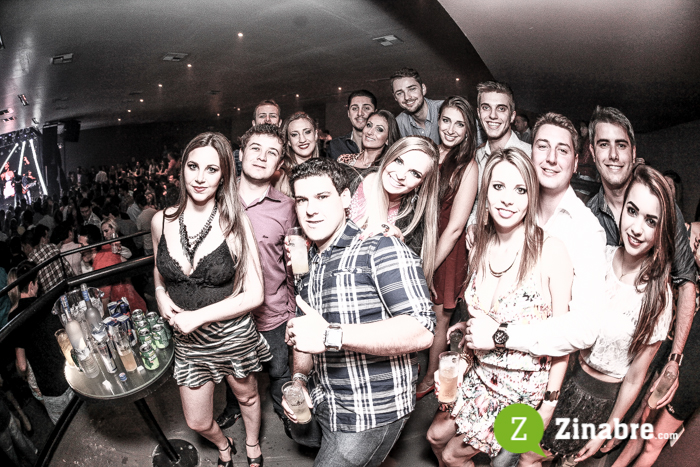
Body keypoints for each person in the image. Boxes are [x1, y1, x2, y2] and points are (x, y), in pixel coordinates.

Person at [283, 158, 435, 467]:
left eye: (322, 196)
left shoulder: (379, 247)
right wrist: (299, 379)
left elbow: (421, 330)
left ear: (344, 198)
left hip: (369, 412)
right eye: (302, 200)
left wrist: (330, 335)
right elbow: (309, 333)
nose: (311, 209)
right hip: (327, 401)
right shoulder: (308, 262)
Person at [427, 147, 572, 465]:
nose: (508, 199)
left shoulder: (551, 251)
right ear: (485, 192)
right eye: (498, 186)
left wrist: (549, 404)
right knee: (434, 437)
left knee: (452, 455)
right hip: (480, 370)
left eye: (520, 190)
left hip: (520, 387)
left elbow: (564, 338)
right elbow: (486, 318)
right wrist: (465, 340)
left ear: (532, 195)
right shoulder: (478, 242)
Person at [524, 165, 675, 465]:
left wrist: (606, 430)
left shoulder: (659, 296)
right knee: (527, 456)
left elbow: (634, 378)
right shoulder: (597, 256)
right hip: (563, 375)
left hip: (601, 401)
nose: (636, 228)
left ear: (661, 230)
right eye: (632, 211)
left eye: (651, 221)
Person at [152, 132, 270, 467]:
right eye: (193, 166)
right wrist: (159, 293)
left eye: (212, 169)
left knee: (247, 397)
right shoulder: (161, 220)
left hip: (231, 333)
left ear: (223, 176)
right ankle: (224, 444)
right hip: (188, 340)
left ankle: (252, 446)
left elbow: (255, 294)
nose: (200, 177)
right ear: (182, 169)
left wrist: (198, 317)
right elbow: (159, 269)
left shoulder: (235, 222)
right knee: (197, 421)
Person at [215, 124, 297, 439]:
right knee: (232, 370)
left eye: (271, 152)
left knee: (279, 370)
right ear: (241, 153)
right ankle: (234, 406)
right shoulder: (216, 198)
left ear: (279, 165)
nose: (262, 157)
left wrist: (292, 313)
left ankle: (284, 409)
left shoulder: (287, 207)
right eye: (256, 148)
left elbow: (293, 266)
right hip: (227, 312)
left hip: (272, 311)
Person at [416, 96, 478, 399]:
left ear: (468, 130)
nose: (451, 129)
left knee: (439, 317)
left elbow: (455, 228)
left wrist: (427, 266)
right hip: (421, 239)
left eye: (459, 124)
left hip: (446, 249)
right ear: (437, 121)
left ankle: (431, 377)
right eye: (446, 120)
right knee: (416, 310)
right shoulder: (427, 151)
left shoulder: (468, 165)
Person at [348, 136, 440, 288]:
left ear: (422, 182)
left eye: (415, 173)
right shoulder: (349, 179)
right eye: (399, 161)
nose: (400, 175)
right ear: (390, 154)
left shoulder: (414, 219)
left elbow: (407, 281)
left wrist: (399, 247)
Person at [8, 261, 74, 424]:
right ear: (31, 285)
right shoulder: (47, 304)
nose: (38, 286)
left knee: (64, 428)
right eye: (37, 282)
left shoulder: (14, 317)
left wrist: (27, 377)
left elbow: (22, 365)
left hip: (49, 388)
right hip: (69, 376)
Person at [466, 81, 532, 228]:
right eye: (486, 107)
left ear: (512, 116)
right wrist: (472, 224)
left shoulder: (532, 156)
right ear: (479, 113)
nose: (492, 115)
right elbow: (478, 202)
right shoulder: (476, 158)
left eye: (501, 109)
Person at [391, 67, 443, 144]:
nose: (407, 97)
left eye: (412, 89)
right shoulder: (398, 124)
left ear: (423, 89)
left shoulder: (445, 109)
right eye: (400, 93)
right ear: (395, 97)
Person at [233, 99, 282, 176]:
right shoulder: (235, 157)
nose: (267, 119)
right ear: (254, 123)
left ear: (280, 123)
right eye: (262, 116)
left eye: (272, 116)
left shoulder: (287, 156)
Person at [275, 112, 319, 196]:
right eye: (294, 135)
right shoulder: (280, 176)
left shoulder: (327, 172)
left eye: (307, 132)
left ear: (316, 135)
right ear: (288, 141)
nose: (302, 139)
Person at [21, 225, 75, 294]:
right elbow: (69, 271)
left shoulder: (30, 263)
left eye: (23, 247)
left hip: (50, 298)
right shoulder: (52, 247)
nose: (23, 250)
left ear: (28, 246)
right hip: (66, 291)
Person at [326, 90, 377, 160]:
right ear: (348, 114)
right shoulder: (336, 146)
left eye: (366, 108)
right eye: (355, 108)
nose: (360, 113)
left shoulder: (385, 148)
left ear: (375, 113)